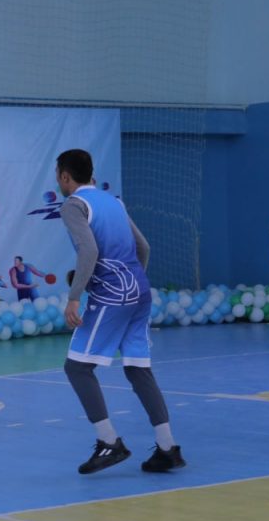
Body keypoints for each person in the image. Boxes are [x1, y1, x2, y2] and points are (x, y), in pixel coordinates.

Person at [56, 149, 185, 475]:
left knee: (77, 368)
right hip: (140, 290)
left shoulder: (73, 205)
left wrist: (74, 298)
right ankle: (168, 448)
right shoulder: (114, 202)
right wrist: (133, 282)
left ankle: (109, 442)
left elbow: (89, 250)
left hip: (112, 295)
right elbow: (143, 247)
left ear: (65, 176)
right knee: (139, 370)